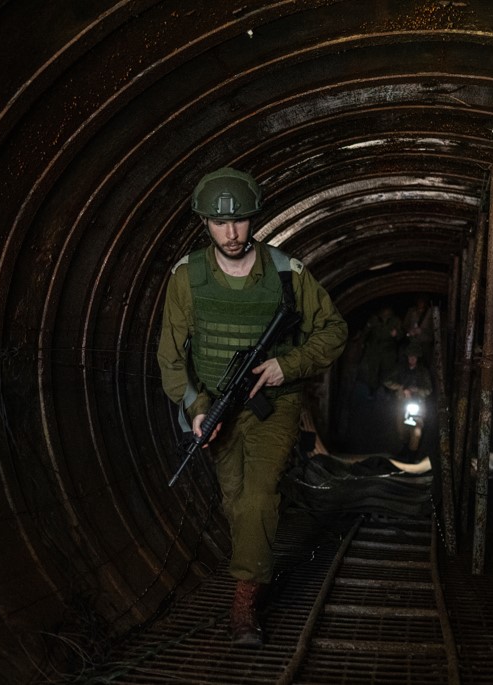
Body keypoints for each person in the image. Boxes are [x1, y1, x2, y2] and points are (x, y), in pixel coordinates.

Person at [157, 167, 347, 646]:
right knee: (236, 501)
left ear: (254, 220)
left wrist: (289, 364)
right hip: (217, 406)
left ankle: (243, 605)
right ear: (205, 224)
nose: (232, 232)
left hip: (275, 406)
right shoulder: (187, 278)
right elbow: (170, 357)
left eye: (241, 221)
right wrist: (196, 408)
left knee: (260, 496)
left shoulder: (287, 273)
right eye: (221, 224)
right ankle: (251, 570)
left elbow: (334, 331)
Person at [383, 341, 433, 456]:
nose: (412, 359)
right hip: (403, 402)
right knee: (401, 428)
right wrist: (401, 388)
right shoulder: (400, 369)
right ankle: (404, 449)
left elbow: (428, 389)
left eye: (414, 357)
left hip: (418, 403)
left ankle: (412, 452)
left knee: (416, 430)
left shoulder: (423, 371)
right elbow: (387, 381)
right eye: (410, 356)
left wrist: (416, 389)